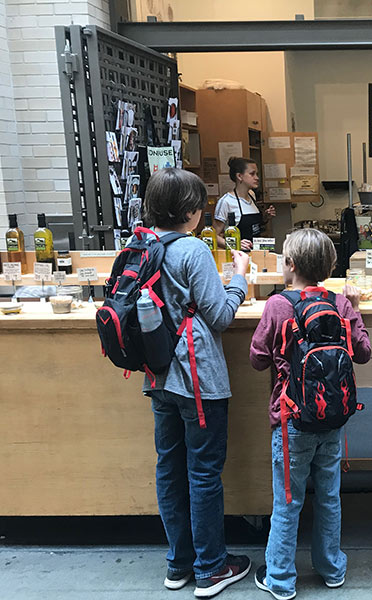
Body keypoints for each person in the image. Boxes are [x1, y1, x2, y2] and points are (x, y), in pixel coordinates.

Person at [142, 168, 252, 598]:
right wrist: (239, 277)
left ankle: (178, 564)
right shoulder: (191, 249)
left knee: (169, 469)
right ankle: (210, 568)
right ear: (189, 211)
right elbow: (221, 316)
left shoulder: (144, 244)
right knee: (204, 472)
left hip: (158, 376)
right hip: (197, 378)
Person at [249, 228, 371, 600]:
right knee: (329, 497)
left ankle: (281, 580)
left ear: (289, 264)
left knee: (288, 501)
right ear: (331, 266)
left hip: (290, 420)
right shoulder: (340, 303)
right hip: (332, 418)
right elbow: (362, 352)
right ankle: (332, 569)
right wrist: (356, 309)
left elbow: (256, 359)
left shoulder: (277, 305)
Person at [214, 157, 277, 251]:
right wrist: (235, 245)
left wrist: (265, 217)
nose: (257, 178)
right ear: (239, 176)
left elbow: (253, 226)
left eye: (257, 174)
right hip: (239, 256)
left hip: (256, 251)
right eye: (252, 174)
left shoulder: (252, 195)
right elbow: (214, 236)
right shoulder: (226, 201)